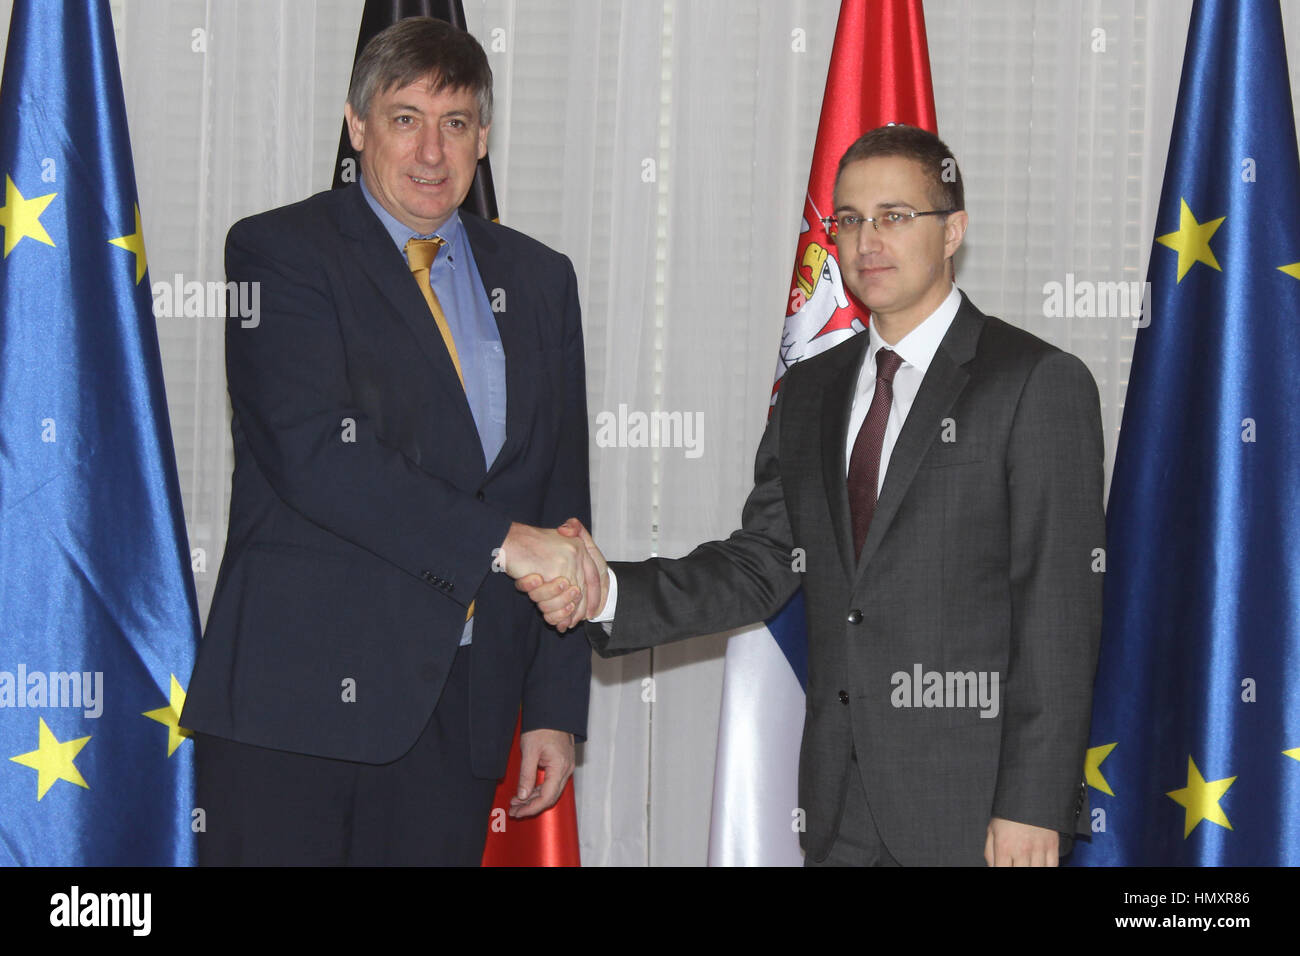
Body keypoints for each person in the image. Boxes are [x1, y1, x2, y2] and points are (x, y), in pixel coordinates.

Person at [522, 125, 1106, 866]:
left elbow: (1059, 613)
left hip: (977, 814)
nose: (867, 240)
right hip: (837, 808)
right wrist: (603, 592)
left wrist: (1032, 804)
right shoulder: (811, 390)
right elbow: (760, 563)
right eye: (850, 220)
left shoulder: (1035, 382)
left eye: (895, 216)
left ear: (953, 230)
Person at [181, 17, 600, 865]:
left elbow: (561, 495)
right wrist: (503, 542)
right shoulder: (278, 252)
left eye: (454, 124)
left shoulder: (541, 278)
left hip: (460, 712)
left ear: (484, 137)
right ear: (357, 125)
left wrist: (554, 705)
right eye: (405, 118)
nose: (430, 153)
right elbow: (319, 458)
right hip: (295, 711)